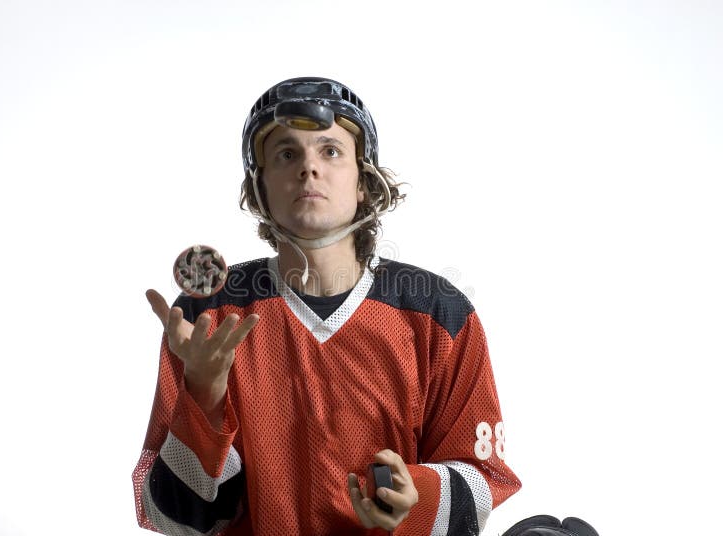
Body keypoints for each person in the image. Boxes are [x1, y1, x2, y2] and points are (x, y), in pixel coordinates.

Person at [132, 77, 521, 535]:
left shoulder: (440, 312)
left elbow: (485, 481)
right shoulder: (208, 316)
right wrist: (204, 397)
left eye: (331, 151)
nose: (308, 169)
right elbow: (171, 520)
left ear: (364, 181)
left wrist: (414, 499)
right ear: (259, 188)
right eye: (286, 153)